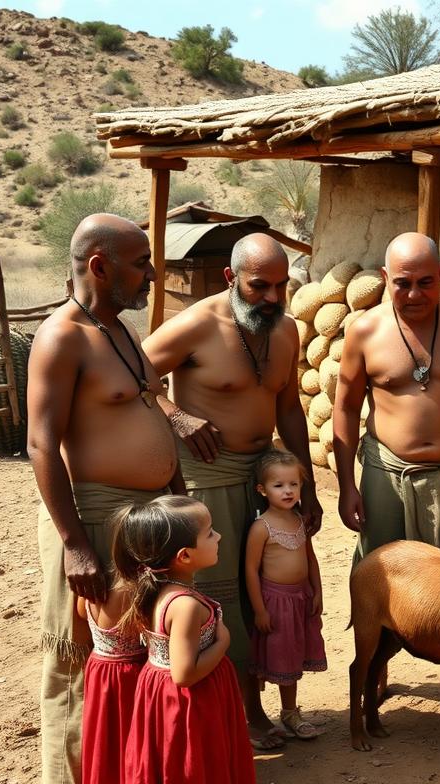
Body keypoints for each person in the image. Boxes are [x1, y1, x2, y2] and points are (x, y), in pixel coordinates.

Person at [27, 213, 180, 784]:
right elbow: (40, 443)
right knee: (78, 663)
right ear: (98, 264)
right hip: (90, 518)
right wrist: (75, 543)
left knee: (135, 664)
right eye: (140, 262)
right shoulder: (60, 339)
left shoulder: (118, 329)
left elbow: (147, 408)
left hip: (143, 521)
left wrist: (175, 497)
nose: (151, 273)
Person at [143, 234, 321, 752]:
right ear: (231, 278)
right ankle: (241, 714)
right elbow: (136, 372)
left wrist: (304, 486)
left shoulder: (286, 330)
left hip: (264, 478)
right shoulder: (198, 323)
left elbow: (289, 409)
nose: (271, 296)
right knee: (217, 598)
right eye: (259, 285)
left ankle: (256, 706)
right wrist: (176, 416)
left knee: (263, 592)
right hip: (210, 477)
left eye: (281, 285)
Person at [332, 232, 440, 711]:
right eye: (402, 283)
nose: (415, 293)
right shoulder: (364, 330)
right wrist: (347, 485)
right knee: (380, 572)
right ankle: (376, 668)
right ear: (385, 279)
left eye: (426, 282)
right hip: (387, 472)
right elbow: (344, 408)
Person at [113, 496, 257, 784]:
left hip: (162, 708)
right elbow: (185, 673)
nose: (219, 537)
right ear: (184, 555)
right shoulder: (188, 605)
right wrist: (225, 643)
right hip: (182, 712)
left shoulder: (161, 592)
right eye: (210, 533)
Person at [245, 449, 326, 740]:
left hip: (300, 599)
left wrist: (317, 591)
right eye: (278, 485)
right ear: (262, 490)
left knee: (293, 653)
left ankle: (290, 712)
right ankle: (256, 715)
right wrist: (260, 610)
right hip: (275, 603)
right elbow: (251, 571)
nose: (288, 490)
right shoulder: (261, 528)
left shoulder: (299, 520)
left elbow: (311, 558)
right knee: (279, 655)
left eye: (294, 484)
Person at [76, 580, 143, 784]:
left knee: (108, 742)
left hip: (99, 673)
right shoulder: (132, 592)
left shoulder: (92, 591)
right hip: (128, 677)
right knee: (131, 744)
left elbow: (81, 613)